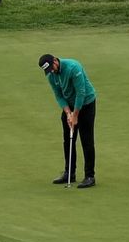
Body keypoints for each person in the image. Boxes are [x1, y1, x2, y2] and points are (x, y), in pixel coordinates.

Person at [38, 54, 98, 188]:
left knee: (86, 140)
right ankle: (69, 173)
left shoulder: (73, 67)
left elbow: (81, 92)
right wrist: (67, 113)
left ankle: (90, 176)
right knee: (68, 139)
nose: (52, 71)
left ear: (55, 60)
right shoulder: (51, 75)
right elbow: (58, 95)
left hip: (87, 103)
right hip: (70, 105)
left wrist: (75, 115)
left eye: (52, 68)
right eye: (48, 71)